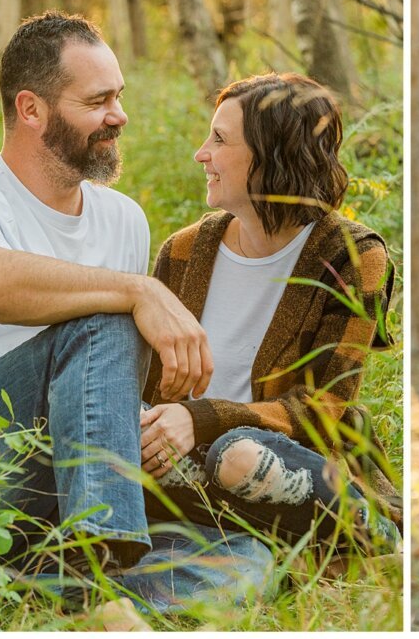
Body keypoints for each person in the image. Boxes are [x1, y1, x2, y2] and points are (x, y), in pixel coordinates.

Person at [0, 11, 266, 608]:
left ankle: (42, 588)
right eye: (98, 101)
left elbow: (102, 390)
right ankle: (104, 577)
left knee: (248, 558)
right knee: (102, 320)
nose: (118, 116)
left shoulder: (123, 218)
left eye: (118, 96)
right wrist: (140, 291)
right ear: (31, 109)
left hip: (48, 495)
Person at [137, 72, 401, 550]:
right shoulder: (184, 251)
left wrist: (201, 417)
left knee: (236, 456)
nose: (202, 154)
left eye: (219, 139)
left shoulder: (352, 257)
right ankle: (258, 540)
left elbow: (325, 409)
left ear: (272, 155)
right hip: (178, 462)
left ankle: (368, 534)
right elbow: (148, 384)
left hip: (281, 462)